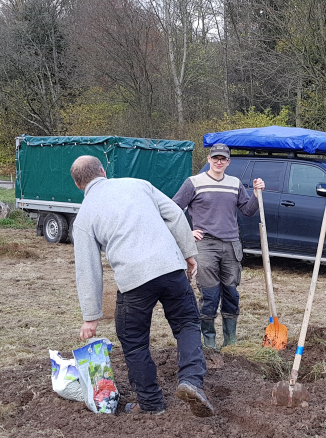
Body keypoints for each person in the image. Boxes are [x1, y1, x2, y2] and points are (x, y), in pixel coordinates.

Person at [69, 155, 214, 417]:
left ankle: (151, 404)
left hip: (134, 281)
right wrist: (189, 253)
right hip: (171, 268)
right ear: (103, 170)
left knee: (135, 342)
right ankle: (191, 380)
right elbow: (175, 216)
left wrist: (91, 317)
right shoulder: (138, 184)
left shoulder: (84, 217)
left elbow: (87, 270)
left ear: (79, 185)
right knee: (187, 324)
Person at [173, 143, 264, 349]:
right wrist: (187, 232)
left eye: (223, 159)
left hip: (231, 244)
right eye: (215, 158)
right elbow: (173, 209)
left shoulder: (235, 183)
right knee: (210, 294)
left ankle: (230, 341)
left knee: (231, 293)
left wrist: (257, 195)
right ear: (208, 159)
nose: (219, 162)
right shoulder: (194, 182)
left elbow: (248, 211)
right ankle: (209, 341)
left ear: (228, 162)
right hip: (205, 245)